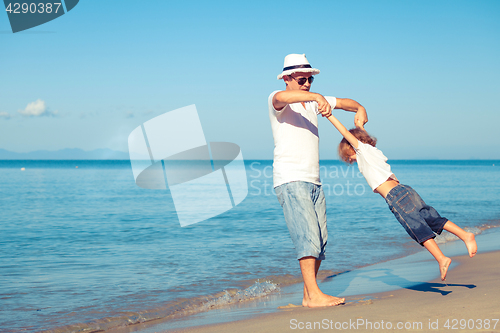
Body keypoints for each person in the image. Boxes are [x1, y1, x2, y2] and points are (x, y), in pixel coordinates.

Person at [325, 113, 478, 281]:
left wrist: (329, 115)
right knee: (432, 218)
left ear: (355, 146)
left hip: (395, 197)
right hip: (406, 190)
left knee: (417, 228)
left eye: (349, 154)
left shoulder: (362, 151)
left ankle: (441, 258)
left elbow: (348, 135)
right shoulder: (373, 151)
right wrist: (361, 127)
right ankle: (465, 235)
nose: (350, 159)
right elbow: (360, 137)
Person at [268, 54, 368, 307]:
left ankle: (308, 295)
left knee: (320, 240)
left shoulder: (313, 102)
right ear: (288, 78)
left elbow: (348, 103)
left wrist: (361, 109)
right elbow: (282, 98)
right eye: (302, 80)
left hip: (314, 181)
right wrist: (316, 97)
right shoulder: (278, 100)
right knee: (307, 235)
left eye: (310, 80)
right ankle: (314, 295)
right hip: (290, 178)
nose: (308, 84)